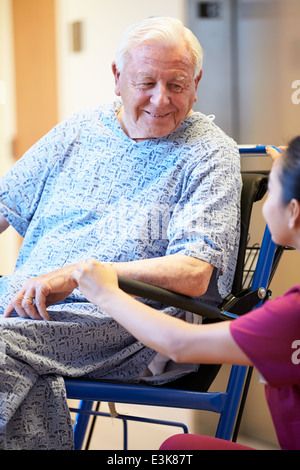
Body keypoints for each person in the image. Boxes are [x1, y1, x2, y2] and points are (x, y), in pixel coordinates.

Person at [0, 17, 241, 450]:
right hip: (27, 300)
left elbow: (195, 272)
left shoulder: (209, 152)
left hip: (124, 320)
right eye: (146, 82)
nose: (160, 99)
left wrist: (80, 276)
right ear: (117, 78)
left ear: (196, 82)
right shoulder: (79, 130)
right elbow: (5, 203)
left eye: (177, 84)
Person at [63, 139, 300, 450]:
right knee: (181, 445)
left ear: (293, 211)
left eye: (273, 188)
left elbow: (180, 344)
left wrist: (107, 292)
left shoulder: (290, 315)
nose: (266, 203)